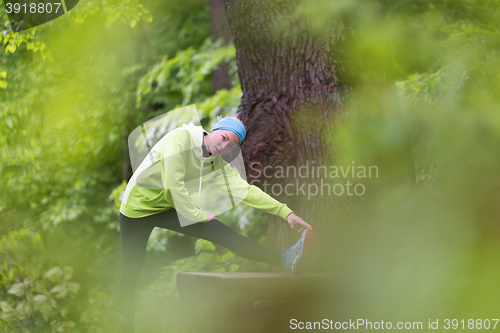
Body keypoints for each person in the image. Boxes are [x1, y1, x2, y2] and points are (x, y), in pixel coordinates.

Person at [116, 115, 315, 333]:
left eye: (230, 145)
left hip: (168, 207)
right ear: (213, 130)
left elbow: (245, 191)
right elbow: (173, 183)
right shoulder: (179, 139)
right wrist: (196, 213)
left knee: (224, 233)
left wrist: (285, 213)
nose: (223, 146)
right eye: (222, 137)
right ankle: (123, 326)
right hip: (137, 209)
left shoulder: (216, 165)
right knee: (132, 270)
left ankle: (285, 259)